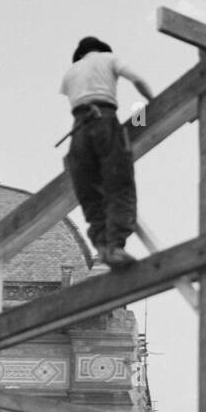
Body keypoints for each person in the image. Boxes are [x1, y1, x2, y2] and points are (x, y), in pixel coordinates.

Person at [59, 36, 153, 267]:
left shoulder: (71, 72)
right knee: (119, 183)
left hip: (79, 130)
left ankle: (102, 246)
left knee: (89, 191)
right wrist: (154, 100)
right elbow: (138, 79)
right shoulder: (108, 59)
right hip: (104, 121)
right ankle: (116, 246)